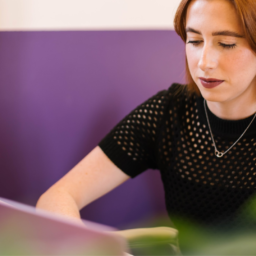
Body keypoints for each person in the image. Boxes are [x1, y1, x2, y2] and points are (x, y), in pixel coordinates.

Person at [36, 0, 256, 233]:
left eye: (226, 43)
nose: (204, 62)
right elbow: (57, 197)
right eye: (195, 41)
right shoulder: (170, 111)